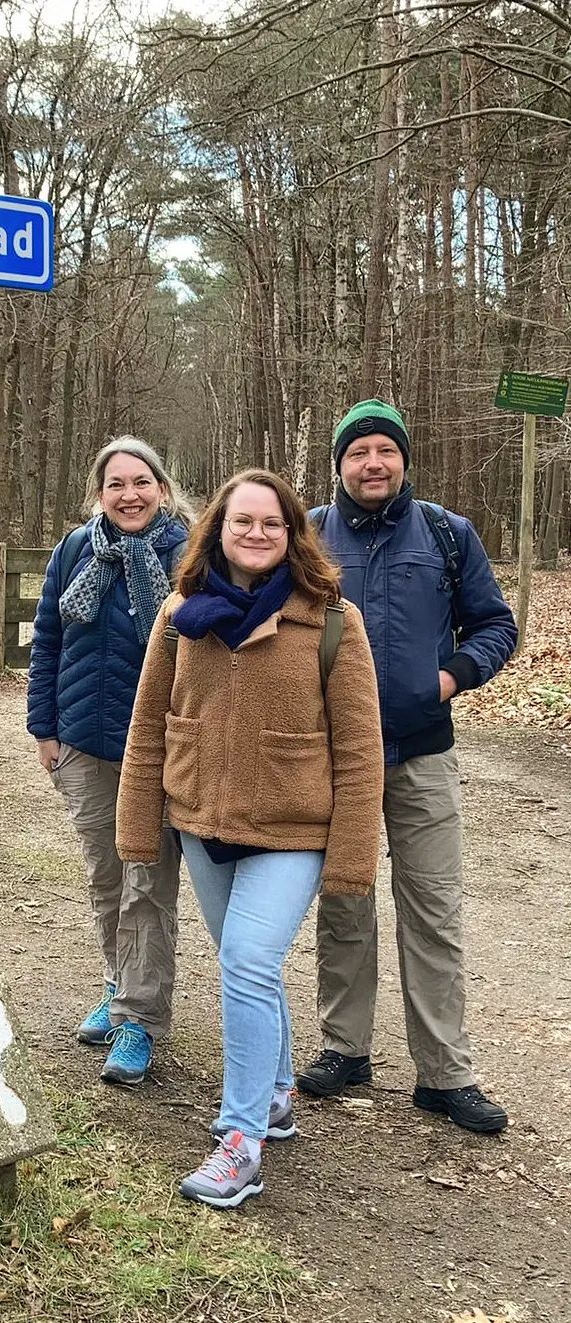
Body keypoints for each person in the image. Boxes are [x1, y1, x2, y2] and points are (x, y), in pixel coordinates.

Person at [117, 469, 384, 1209]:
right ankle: (273, 1093)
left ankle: (241, 1141)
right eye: (243, 521)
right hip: (202, 824)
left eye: (273, 522)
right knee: (253, 971)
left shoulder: (332, 620)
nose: (257, 533)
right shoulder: (181, 614)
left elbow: (361, 752)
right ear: (219, 530)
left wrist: (352, 860)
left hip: (293, 831)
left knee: (244, 958)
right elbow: (148, 729)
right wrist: (140, 828)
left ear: (294, 533)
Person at [296, 400, 517, 1134]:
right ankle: (345, 1047)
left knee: (434, 910)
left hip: (424, 752)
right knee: (344, 902)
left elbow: (496, 624)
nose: (372, 463)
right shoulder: (310, 537)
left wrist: (448, 679)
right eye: (357, 452)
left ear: (403, 459)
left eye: (384, 451)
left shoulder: (448, 536)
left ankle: (445, 1073)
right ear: (339, 465)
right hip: (336, 757)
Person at [26, 437, 191, 1088]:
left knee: (146, 887)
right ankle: (120, 983)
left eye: (141, 481)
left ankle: (139, 1022)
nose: (129, 494)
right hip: (83, 745)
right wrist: (45, 729)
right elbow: (48, 639)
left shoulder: (187, 554)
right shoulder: (75, 551)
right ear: (99, 493)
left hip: (156, 754)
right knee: (105, 878)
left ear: (162, 486)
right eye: (116, 483)